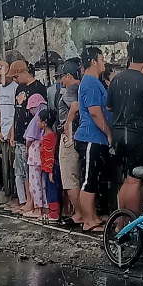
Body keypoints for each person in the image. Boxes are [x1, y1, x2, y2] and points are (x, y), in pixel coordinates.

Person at [106, 38, 143, 215]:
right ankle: (133, 222)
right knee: (136, 181)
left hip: (119, 135)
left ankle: (120, 222)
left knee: (127, 180)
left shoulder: (117, 79)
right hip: (138, 137)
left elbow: (109, 107)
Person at [75, 46, 112, 233]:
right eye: (102, 59)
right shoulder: (89, 82)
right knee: (88, 180)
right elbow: (95, 112)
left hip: (97, 139)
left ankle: (93, 216)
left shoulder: (95, 82)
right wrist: (108, 133)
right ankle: (88, 220)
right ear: (93, 62)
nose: (104, 63)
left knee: (94, 179)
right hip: (90, 137)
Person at [8, 60, 48, 214]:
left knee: (32, 172)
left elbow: (40, 115)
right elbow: (16, 112)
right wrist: (12, 132)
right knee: (23, 171)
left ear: (24, 72)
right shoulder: (19, 88)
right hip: (19, 135)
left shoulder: (38, 88)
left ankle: (33, 202)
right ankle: (26, 200)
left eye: (16, 76)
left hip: (31, 137)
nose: (15, 80)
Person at [57, 59, 83, 226]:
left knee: (69, 178)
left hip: (69, 137)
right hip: (81, 136)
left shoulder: (70, 91)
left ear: (68, 76)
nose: (61, 80)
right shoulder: (83, 88)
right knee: (79, 177)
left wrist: (68, 123)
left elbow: (75, 106)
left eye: (62, 76)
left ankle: (80, 213)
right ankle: (83, 213)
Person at [0, 60, 17, 201]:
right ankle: (9, 195)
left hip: (12, 131)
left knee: (15, 166)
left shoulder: (15, 87)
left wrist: (11, 132)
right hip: (3, 130)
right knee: (5, 167)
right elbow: (0, 110)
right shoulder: (0, 88)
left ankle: (16, 196)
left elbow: (16, 112)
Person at [25, 94, 49, 218]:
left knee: (35, 183)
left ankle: (37, 208)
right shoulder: (47, 117)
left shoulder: (36, 120)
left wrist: (26, 149)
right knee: (43, 182)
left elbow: (29, 137)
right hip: (43, 154)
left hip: (34, 154)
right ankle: (45, 207)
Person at [39, 108, 62, 222]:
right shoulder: (52, 136)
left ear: (44, 123)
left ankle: (54, 213)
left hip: (50, 169)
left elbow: (49, 156)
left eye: (39, 120)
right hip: (51, 168)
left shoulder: (48, 138)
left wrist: (50, 171)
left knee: (51, 190)